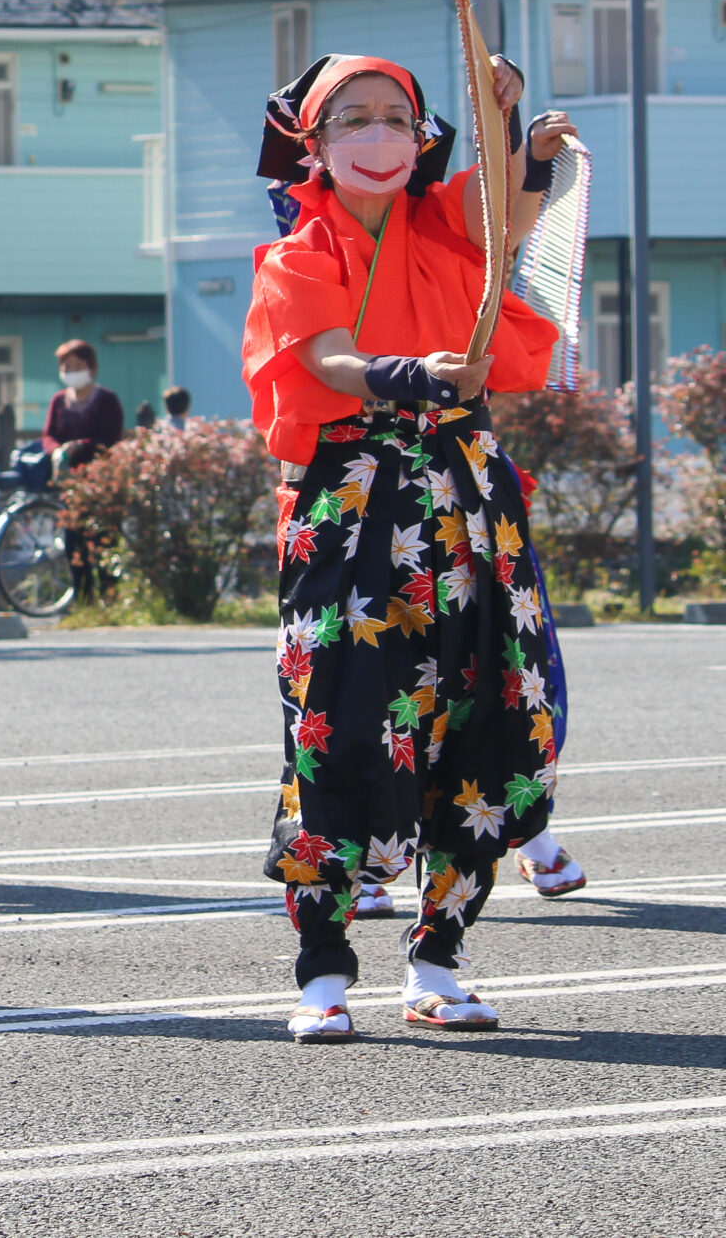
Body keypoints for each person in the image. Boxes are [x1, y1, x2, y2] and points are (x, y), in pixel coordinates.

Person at [244, 50, 575, 1040]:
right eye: (352, 119)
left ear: (423, 136)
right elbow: (331, 359)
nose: (377, 135)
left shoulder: (448, 226)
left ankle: (438, 959)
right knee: (340, 724)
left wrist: (509, 119)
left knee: (493, 711)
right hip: (354, 504)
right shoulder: (296, 255)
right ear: (314, 144)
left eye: (396, 116)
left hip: (468, 495)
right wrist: (404, 372)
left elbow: (513, 212)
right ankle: (321, 969)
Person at [44, 339, 125, 600]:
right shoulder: (58, 401)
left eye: (77, 365)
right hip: (69, 483)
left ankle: (109, 596)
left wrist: (79, 447)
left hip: (100, 480)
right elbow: (48, 435)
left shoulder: (107, 400)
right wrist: (57, 449)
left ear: (91, 367)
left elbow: (110, 438)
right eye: (66, 366)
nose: (71, 371)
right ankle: (83, 598)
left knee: (102, 540)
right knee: (73, 542)